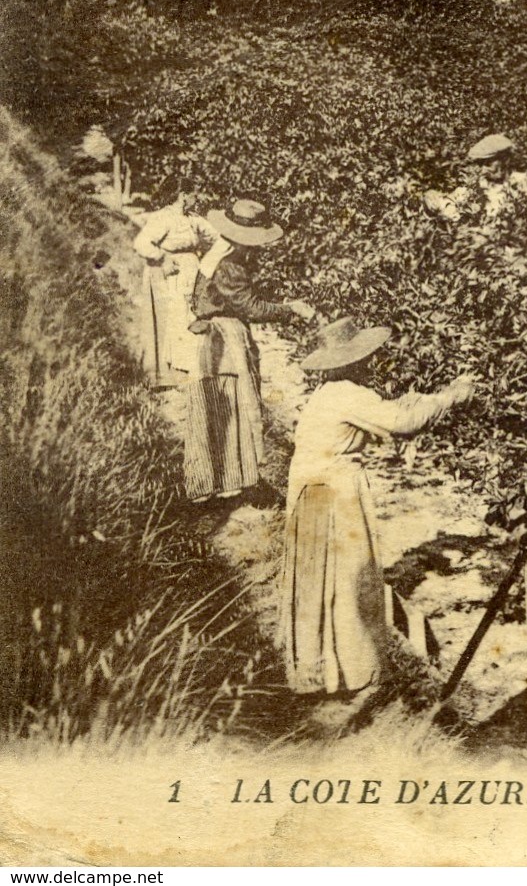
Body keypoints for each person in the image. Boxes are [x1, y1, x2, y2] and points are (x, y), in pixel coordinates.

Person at [281, 317, 478, 695]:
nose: (372, 362)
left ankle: (323, 670)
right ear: (353, 361)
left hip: (312, 490)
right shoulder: (348, 394)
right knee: (349, 578)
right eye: (366, 357)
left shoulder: (332, 391)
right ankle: (355, 673)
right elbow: (402, 420)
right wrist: (454, 395)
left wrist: (433, 395)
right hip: (331, 493)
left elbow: (391, 409)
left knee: (322, 582)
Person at [184, 199, 316, 502]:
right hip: (223, 336)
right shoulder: (230, 265)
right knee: (230, 401)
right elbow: (249, 306)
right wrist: (289, 309)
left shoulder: (222, 253)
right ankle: (223, 483)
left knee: (220, 403)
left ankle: (223, 480)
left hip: (215, 333)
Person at [133, 187, 217, 388]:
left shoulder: (192, 218)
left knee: (190, 316)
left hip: (191, 272)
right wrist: (163, 257)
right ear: (183, 195)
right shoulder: (163, 217)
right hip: (171, 275)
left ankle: (188, 369)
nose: (197, 197)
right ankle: (170, 374)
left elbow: (214, 237)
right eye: (193, 194)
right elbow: (141, 243)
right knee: (175, 320)